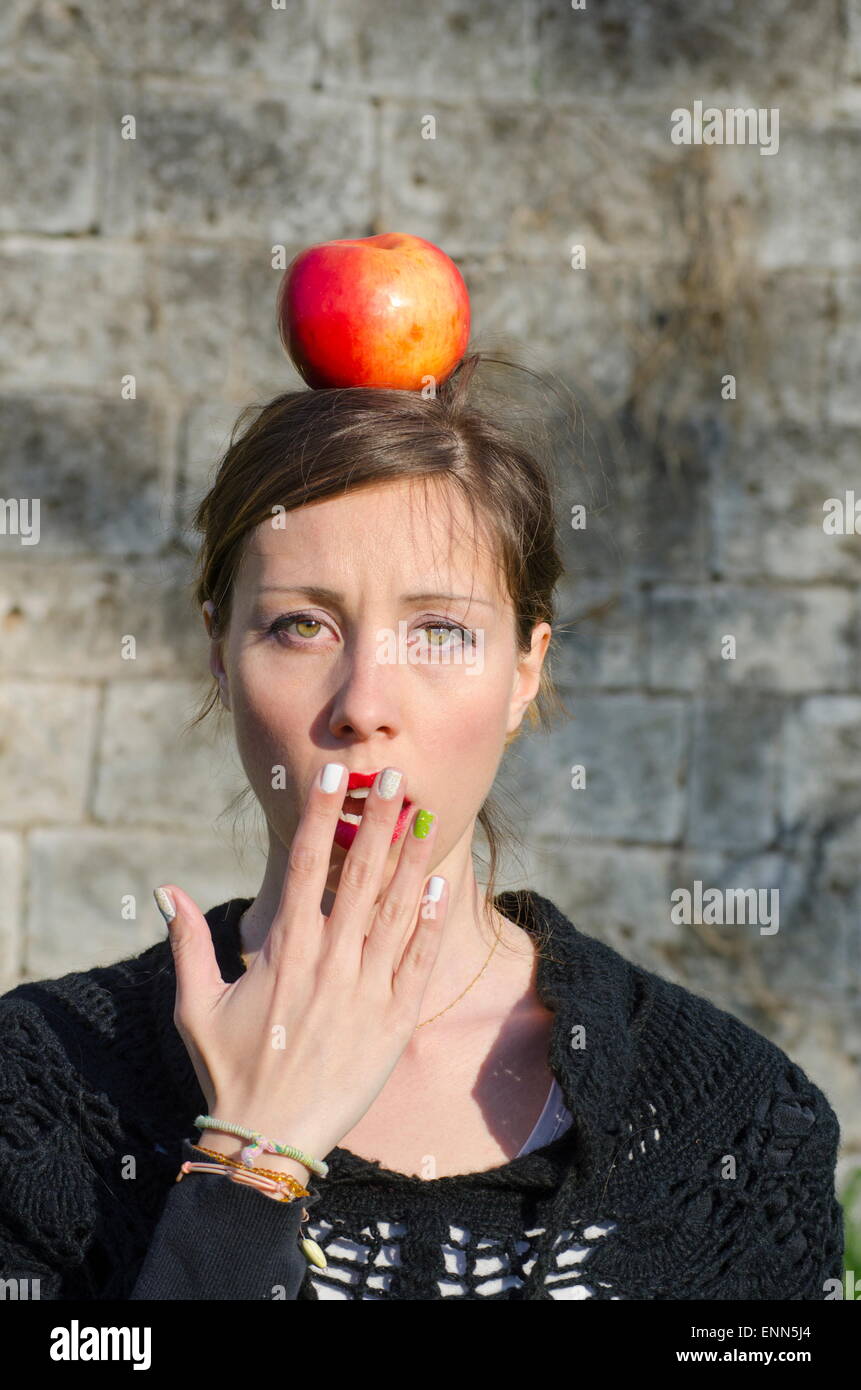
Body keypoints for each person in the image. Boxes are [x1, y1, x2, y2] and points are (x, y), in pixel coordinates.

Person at [0, 355, 845, 1300]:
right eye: (299, 626)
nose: (365, 705)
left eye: (440, 629)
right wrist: (248, 1167)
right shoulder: (39, 1085)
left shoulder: (733, 1120)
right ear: (218, 654)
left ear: (526, 668)